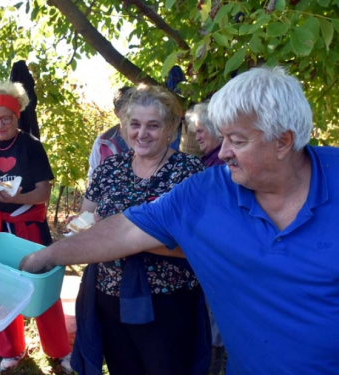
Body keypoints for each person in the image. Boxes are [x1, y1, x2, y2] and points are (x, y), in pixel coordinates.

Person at [20, 66, 339, 374]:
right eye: (223, 137)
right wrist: (46, 255)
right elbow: (124, 230)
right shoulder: (209, 189)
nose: (224, 152)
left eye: (238, 141)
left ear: (283, 141)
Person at [69, 84, 210, 375]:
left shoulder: (189, 173)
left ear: (171, 128)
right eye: (135, 124)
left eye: (153, 125)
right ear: (124, 127)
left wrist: (127, 239)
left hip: (168, 302)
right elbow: (86, 217)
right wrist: (85, 230)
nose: (142, 134)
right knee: (123, 368)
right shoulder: (109, 169)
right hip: (109, 294)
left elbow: (201, 246)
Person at [0, 81, 72, 373]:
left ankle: (59, 350)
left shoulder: (30, 146)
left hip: (27, 224)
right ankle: (10, 349)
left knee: (43, 285)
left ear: (17, 115)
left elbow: (44, 192)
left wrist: (16, 195)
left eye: (5, 118)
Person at [186, 102, 226, 374]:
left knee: (215, 330)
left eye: (201, 130)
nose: (197, 136)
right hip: (212, 256)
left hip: (218, 259)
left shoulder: (221, 166)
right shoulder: (208, 163)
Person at [87, 86, 132, 184]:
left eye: (134, 112)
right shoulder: (102, 142)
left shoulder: (148, 140)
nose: (131, 117)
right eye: (126, 113)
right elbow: (93, 177)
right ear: (116, 113)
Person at [186, 102, 224, 167]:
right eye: (196, 132)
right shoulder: (209, 158)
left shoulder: (221, 161)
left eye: (200, 131)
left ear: (214, 129)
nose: (197, 138)